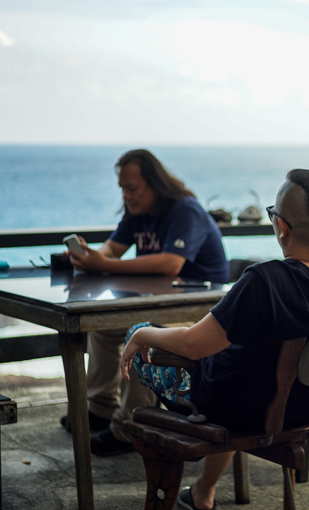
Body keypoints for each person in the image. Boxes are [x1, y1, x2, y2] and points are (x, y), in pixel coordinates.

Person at [118, 169, 309, 510]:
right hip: (304, 407)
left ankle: (124, 433)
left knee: (144, 334)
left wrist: (142, 334)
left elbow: (193, 345)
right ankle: (203, 493)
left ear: (282, 227)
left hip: (233, 405)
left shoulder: (265, 282)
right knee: (244, 366)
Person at [64, 149, 229, 456]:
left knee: (141, 335)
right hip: (158, 304)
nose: (127, 195)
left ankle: (129, 429)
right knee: (103, 328)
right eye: (123, 189)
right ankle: (100, 408)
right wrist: (89, 257)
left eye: (132, 188)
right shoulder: (136, 212)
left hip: (199, 312)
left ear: (154, 183)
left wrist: (105, 263)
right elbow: (112, 249)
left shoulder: (184, 210)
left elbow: (170, 264)